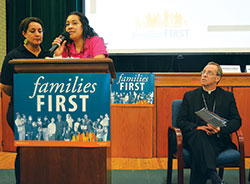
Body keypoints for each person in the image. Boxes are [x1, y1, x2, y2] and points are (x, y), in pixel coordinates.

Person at [0, 17, 49, 184]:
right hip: (20, 111)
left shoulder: (47, 56)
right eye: (33, 31)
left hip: (45, 111)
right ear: (24, 34)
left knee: (45, 152)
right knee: (25, 150)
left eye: (40, 31)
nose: (37, 34)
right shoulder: (13, 56)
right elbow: (6, 87)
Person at [176, 62, 241, 184]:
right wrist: (197, 127)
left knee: (200, 149)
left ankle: (209, 173)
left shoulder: (227, 96)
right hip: (195, 136)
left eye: (209, 73)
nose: (204, 75)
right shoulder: (190, 96)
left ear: (217, 78)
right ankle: (212, 174)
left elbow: (236, 120)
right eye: (203, 72)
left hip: (218, 138)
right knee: (200, 136)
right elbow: (180, 121)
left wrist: (220, 130)